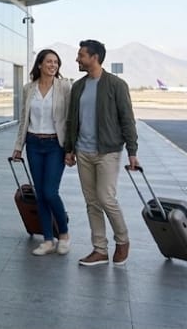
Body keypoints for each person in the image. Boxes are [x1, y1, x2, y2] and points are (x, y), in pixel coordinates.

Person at [64, 40, 140, 267]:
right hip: (83, 152)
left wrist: (132, 152)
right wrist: (69, 148)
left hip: (108, 152)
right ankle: (99, 250)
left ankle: (123, 240)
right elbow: (71, 120)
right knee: (92, 202)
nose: (77, 59)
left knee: (106, 198)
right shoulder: (78, 86)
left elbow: (127, 119)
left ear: (94, 57)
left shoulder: (116, 85)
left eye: (81, 55)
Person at [11, 49, 71, 256]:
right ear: (40, 65)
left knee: (50, 192)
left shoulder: (64, 87)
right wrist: (19, 147)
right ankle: (47, 239)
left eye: (56, 62)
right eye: (49, 62)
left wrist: (70, 148)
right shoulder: (29, 88)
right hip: (34, 144)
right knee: (40, 195)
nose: (53, 65)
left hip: (56, 145)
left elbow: (70, 120)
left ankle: (63, 234)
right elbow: (23, 119)